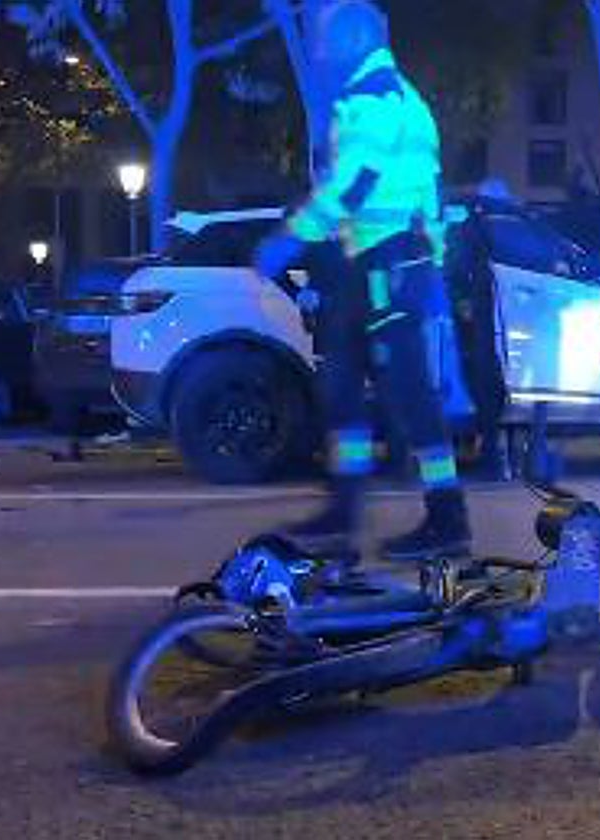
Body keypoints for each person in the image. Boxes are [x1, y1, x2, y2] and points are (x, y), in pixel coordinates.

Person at [253, 0, 471, 561]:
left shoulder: (377, 97)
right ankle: (343, 514)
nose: (319, 50)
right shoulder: (386, 93)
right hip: (380, 264)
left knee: (409, 395)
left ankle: (447, 522)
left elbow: (355, 185)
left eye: (326, 38)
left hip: (389, 264)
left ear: (354, 37)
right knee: (342, 388)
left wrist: (291, 237)